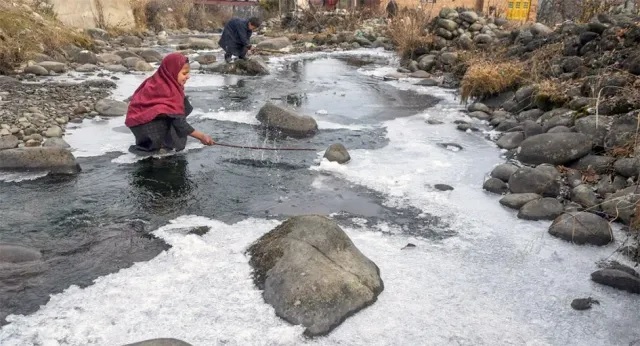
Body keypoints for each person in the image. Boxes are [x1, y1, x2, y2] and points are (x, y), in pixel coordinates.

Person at [125, 52, 214, 154]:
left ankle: (156, 144)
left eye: (188, 73)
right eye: (184, 73)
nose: (188, 76)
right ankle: (155, 148)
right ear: (172, 71)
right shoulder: (169, 91)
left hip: (139, 121)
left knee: (181, 107)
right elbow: (179, 123)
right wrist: (202, 136)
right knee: (174, 117)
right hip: (144, 124)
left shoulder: (157, 80)